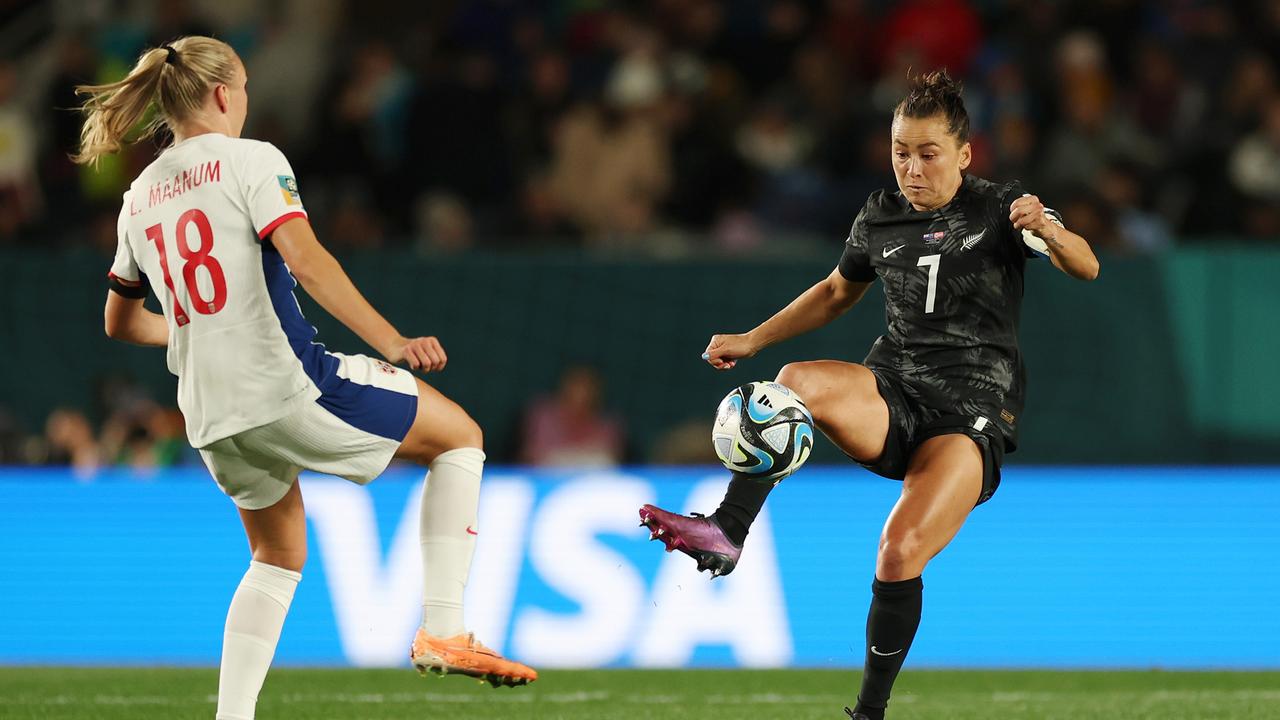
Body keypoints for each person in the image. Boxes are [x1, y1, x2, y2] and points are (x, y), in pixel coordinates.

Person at [74, 36, 536, 720]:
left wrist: (203, 331)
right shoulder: (251, 160)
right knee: (460, 437)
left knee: (276, 557)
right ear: (225, 94)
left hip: (209, 414)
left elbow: (119, 320)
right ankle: (444, 628)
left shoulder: (140, 195)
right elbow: (309, 262)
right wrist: (392, 340)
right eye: (247, 90)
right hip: (287, 385)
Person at [638, 70, 1098, 720]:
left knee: (898, 551)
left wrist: (1050, 229)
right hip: (893, 392)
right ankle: (727, 531)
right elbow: (833, 293)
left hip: (968, 415)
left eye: (928, 152)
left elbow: (1087, 264)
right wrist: (753, 338)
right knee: (793, 382)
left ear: (965, 154)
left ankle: (868, 714)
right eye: (900, 151)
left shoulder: (1002, 208)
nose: (912, 167)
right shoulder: (881, 215)